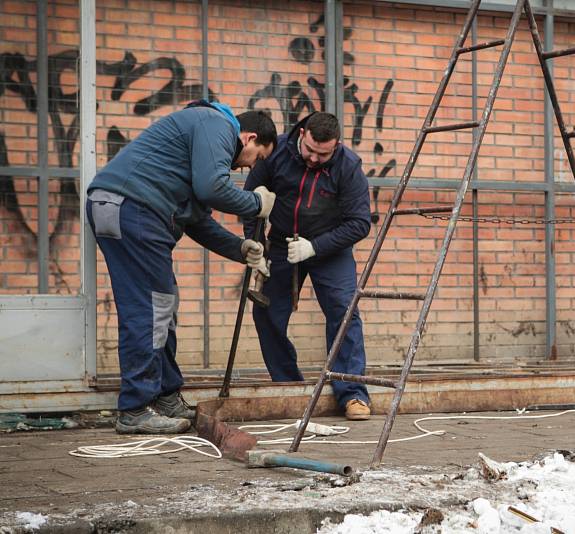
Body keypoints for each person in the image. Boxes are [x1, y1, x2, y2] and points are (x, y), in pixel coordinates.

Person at [86, 100, 277, 434]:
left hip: (128, 207)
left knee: (163, 305)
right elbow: (213, 189)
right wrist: (257, 202)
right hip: (133, 208)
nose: (248, 169)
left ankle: (165, 395)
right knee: (151, 308)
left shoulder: (198, 139)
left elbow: (197, 220)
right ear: (248, 138)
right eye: (256, 158)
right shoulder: (217, 125)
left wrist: (239, 248)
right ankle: (134, 408)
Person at [243, 112, 372, 421]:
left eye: (323, 154)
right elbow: (249, 201)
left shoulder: (349, 167)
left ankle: (352, 393)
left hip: (330, 248)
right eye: (310, 149)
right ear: (302, 133)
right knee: (266, 311)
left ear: (336, 145)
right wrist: (255, 244)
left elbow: (359, 223)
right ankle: (287, 384)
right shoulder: (277, 154)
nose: (314, 158)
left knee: (344, 311)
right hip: (282, 244)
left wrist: (315, 247)